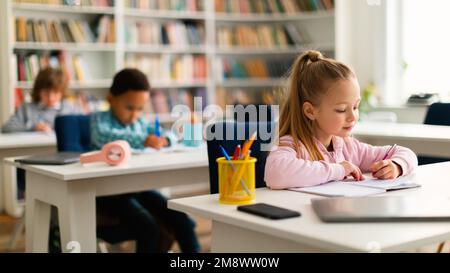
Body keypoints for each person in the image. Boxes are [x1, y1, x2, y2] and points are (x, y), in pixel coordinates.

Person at [264, 50, 418, 189]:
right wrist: (339, 169)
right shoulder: (293, 145)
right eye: (342, 109)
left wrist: (397, 166)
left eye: (356, 107)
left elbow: (405, 153)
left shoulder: (348, 147)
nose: (352, 117)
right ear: (310, 111)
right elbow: (276, 174)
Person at [91, 68, 200, 253]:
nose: (135, 114)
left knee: (182, 220)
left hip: (138, 188)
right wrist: (144, 139)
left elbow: (166, 134)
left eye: (140, 109)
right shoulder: (99, 120)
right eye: (129, 107)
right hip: (111, 194)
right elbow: (104, 136)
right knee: (148, 226)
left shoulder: (140, 123)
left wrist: (165, 140)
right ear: (111, 99)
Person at [2, 67, 81, 133]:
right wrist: (33, 127)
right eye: (46, 93)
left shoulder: (69, 109)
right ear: (39, 91)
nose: (51, 98)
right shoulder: (26, 108)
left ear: (62, 92)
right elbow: (6, 128)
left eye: (56, 93)